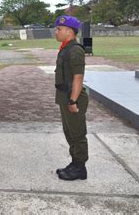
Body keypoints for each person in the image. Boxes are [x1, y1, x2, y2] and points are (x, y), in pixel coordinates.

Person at [54, 15, 89, 181]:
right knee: (69, 132)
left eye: (59, 29)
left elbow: (78, 77)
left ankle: (80, 168)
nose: (56, 32)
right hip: (65, 97)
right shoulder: (65, 48)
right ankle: (75, 163)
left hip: (73, 98)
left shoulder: (75, 50)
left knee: (77, 134)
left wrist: (73, 101)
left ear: (69, 31)